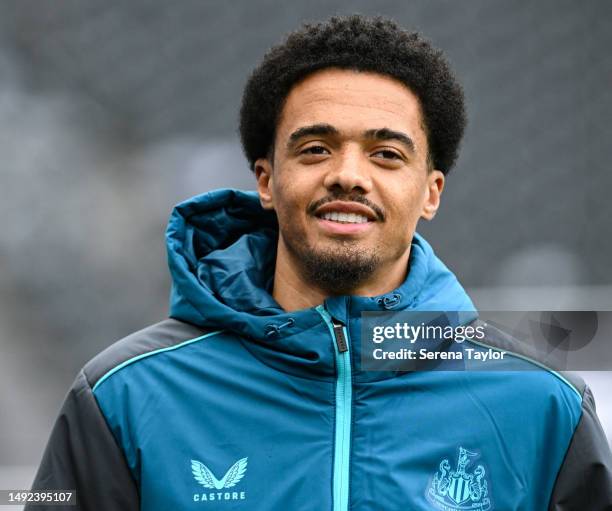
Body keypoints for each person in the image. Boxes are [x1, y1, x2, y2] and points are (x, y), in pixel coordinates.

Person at [28, 14, 611, 511]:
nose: (348, 175)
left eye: (386, 154)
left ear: (431, 192)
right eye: (315, 149)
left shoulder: (541, 402)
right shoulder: (122, 396)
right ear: (266, 179)